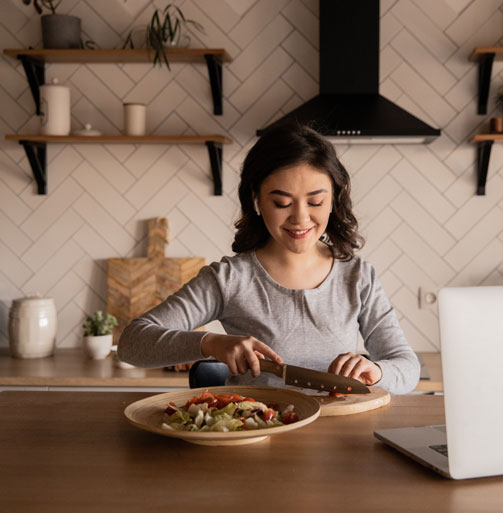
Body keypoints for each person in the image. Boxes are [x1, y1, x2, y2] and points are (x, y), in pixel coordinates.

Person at [118, 123, 420, 394]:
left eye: (316, 201)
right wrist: (209, 344)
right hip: (260, 440)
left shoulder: (357, 277)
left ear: (334, 199)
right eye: (282, 202)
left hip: (336, 443)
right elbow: (132, 344)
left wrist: (377, 371)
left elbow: (407, 368)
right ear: (256, 200)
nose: (301, 218)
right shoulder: (229, 279)